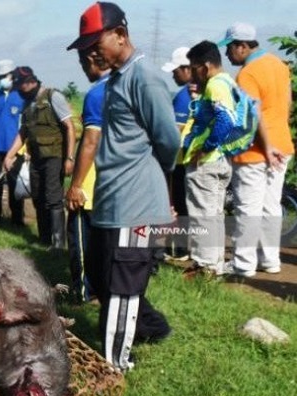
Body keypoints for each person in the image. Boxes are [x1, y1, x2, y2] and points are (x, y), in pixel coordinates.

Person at [67, 1, 177, 372]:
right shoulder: (114, 81)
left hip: (135, 201)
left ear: (120, 35)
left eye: (95, 44)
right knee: (103, 277)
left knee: (124, 284)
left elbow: (168, 139)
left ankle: (115, 364)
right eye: (86, 48)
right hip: (111, 200)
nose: (90, 53)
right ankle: (146, 331)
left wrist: (152, 179)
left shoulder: (143, 76)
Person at [220, 22, 294, 277]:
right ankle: (270, 260)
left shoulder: (247, 73)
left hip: (255, 150)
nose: (227, 54)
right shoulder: (280, 66)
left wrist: (266, 144)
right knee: (272, 206)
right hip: (283, 144)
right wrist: (276, 139)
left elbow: (253, 114)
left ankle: (243, 264)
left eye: (230, 48)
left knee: (248, 207)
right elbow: (288, 104)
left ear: (242, 46)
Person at [180, 41, 237, 277]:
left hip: (208, 161)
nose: (192, 74)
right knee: (213, 214)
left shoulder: (215, 85)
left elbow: (226, 120)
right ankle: (213, 264)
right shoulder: (228, 82)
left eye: (194, 68)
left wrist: (205, 148)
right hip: (221, 159)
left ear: (205, 66)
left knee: (203, 214)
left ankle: (204, 266)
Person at [3, 66, 76, 249]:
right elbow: (23, 133)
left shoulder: (53, 97)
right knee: (38, 197)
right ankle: (44, 239)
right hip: (35, 158)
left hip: (54, 157)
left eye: (21, 86)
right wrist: (9, 155)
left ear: (31, 82)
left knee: (53, 198)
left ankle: (58, 244)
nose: (19, 90)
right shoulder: (27, 105)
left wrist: (69, 158)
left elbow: (70, 127)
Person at [64, 50, 110, 302]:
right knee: (106, 245)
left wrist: (76, 185)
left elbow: (90, 141)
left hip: (91, 182)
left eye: (83, 64)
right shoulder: (128, 89)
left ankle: (82, 291)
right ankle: (105, 290)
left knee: (81, 241)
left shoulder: (96, 94)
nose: (84, 69)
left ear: (93, 61)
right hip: (116, 185)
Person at [161, 47, 194, 261]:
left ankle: (178, 249)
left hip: (179, 159)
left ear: (186, 68)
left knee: (178, 205)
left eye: (176, 71)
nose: (173, 75)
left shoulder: (183, 96)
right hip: (190, 159)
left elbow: (176, 130)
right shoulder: (196, 90)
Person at [0, 59, 26, 225]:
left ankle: (17, 220)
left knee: (15, 186)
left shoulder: (21, 96)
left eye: (4, 76)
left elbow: (26, 124)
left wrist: (25, 148)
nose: (1, 79)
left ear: (12, 76)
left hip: (14, 149)